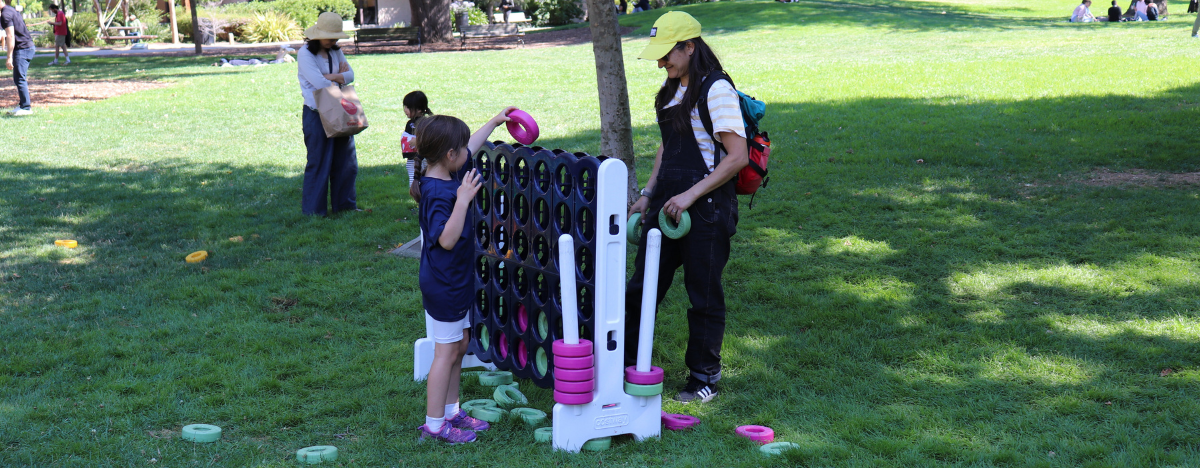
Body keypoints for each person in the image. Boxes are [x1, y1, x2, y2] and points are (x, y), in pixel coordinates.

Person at [624, 11, 748, 404]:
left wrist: (691, 195)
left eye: (667, 55)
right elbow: (667, 146)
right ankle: (624, 363)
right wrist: (648, 193)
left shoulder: (717, 90)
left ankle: (703, 378)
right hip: (666, 205)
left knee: (703, 294)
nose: (661, 62)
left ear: (690, 47)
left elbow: (737, 156)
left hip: (707, 209)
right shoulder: (672, 87)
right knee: (642, 288)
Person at [409, 109, 514, 443]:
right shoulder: (442, 193)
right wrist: (464, 201)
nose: (470, 153)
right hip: (444, 284)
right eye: (463, 150)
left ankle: (452, 412)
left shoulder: (442, 173)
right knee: (446, 353)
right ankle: (435, 425)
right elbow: (446, 238)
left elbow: (469, 144)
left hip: (454, 279)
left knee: (461, 344)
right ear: (450, 155)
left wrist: (495, 122)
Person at [297, 12, 359, 216]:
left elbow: (351, 75)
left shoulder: (335, 51)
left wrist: (333, 76)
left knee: (346, 161)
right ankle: (315, 211)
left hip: (339, 110)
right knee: (319, 162)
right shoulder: (305, 53)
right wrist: (339, 79)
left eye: (336, 37)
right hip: (316, 113)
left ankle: (345, 206)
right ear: (317, 34)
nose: (334, 40)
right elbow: (319, 83)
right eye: (330, 36)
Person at [2, 0, 34, 116]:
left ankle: (26, 108)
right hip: (25, 47)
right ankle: (22, 105)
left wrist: (9, 57)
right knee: (17, 78)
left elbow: (10, 36)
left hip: (23, 48)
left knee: (20, 78)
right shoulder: (10, 10)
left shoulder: (5, 14)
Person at [402, 90, 432, 187]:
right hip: (412, 158)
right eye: (404, 107)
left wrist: (418, 141)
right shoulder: (410, 123)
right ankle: (417, 196)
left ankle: (419, 196)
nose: (405, 110)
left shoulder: (425, 122)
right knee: (413, 178)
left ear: (419, 109)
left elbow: (431, 138)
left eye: (408, 107)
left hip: (423, 158)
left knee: (423, 178)